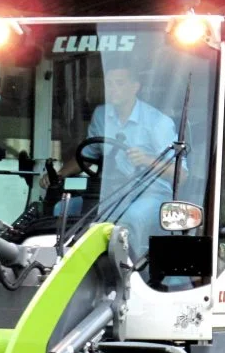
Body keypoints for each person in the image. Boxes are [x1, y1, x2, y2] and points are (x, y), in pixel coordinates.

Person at [41, 63, 187, 263]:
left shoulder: (157, 122)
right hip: (112, 194)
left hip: (152, 195)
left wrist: (147, 159)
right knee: (62, 210)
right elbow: (86, 156)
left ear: (135, 87)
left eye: (119, 83)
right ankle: (65, 265)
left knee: (132, 217)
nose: (112, 89)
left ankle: (128, 270)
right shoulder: (101, 115)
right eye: (109, 84)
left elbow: (181, 173)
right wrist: (58, 175)